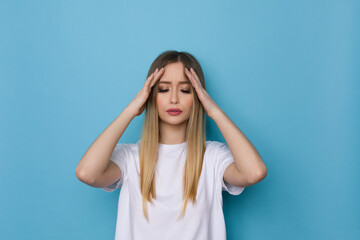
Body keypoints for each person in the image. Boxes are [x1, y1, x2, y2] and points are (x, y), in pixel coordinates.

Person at [75, 50, 267, 240]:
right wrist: (131, 110)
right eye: (163, 89)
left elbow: (254, 172)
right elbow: (87, 173)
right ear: (150, 96)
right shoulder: (130, 157)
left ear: (199, 97)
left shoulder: (212, 157)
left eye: (185, 90)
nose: (174, 98)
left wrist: (214, 111)